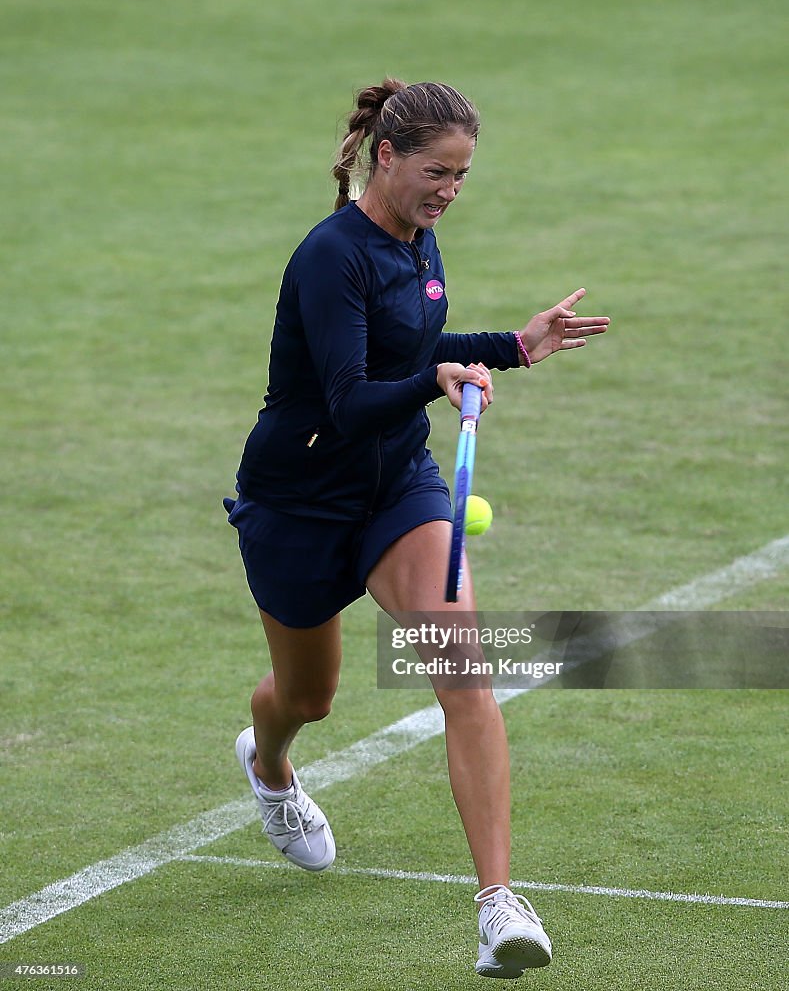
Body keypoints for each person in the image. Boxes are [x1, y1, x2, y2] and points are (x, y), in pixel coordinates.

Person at [224, 78, 610, 979]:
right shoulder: (330, 256)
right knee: (306, 698)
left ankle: (497, 907)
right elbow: (351, 396)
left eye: (463, 175)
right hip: (298, 504)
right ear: (384, 157)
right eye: (438, 171)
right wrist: (442, 375)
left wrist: (510, 346)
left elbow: (408, 359)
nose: (450, 190)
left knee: (465, 674)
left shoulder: (421, 244)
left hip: (398, 486)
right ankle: (269, 765)